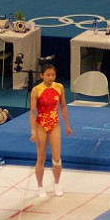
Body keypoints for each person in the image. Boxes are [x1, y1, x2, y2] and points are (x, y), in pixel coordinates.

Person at [29, 63, 72, 198]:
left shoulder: (59, 88)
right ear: (41, 75)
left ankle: (57, 183)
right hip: (41, 125)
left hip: (54, 124)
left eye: (53, 75)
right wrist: (33, 131)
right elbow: (32, 112)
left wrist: (67, 125)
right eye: (48, 75)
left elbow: (63, 107)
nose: (51, 77)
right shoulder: (36, 90)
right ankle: (40, 186)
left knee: (56, 158)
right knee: (41, 157)